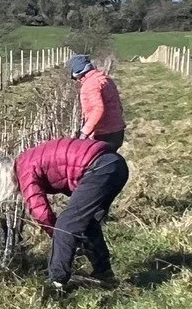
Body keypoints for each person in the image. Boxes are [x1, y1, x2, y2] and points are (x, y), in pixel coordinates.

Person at [10, 134, 130, 295]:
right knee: (87, 222)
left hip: (100, 167)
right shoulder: (29, 157)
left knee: (66, 225)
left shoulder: (23, 169)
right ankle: (104, 273)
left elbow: (41, 212)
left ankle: (56, 283)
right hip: (115, 165)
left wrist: (58, 235)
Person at [69, 54, 125, 150]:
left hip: (103, 134)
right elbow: (119, 106)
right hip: (117, 131)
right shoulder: (106, 79)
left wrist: (85, 132)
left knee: (98, 162)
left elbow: (98, 109)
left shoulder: (90, 84)